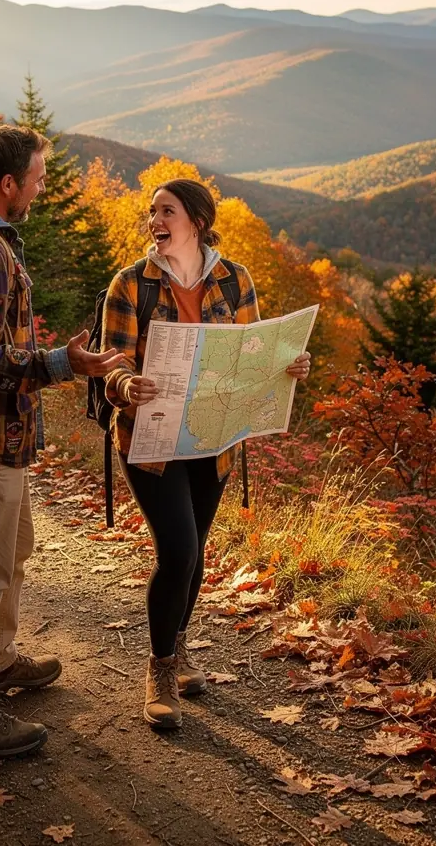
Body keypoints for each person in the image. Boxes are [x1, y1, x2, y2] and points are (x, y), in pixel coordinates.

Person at [0, 124, 123, 757]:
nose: (41, 187)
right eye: (36, 177)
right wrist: (64, 364)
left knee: (14, 550)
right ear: (7, 184)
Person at [101, 179, 311, 730]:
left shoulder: (234, 278)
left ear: (195, 218)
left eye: (165, 211)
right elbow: (111, 363)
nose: (154, 220)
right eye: (151, 212)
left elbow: (252, 355)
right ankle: (161, 671)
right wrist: (127, 385)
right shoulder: (130, 285)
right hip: (151, 442)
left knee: (194, 556)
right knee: (178, 551)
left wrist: (287, 366)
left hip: (213, 438)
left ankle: (179, 647)